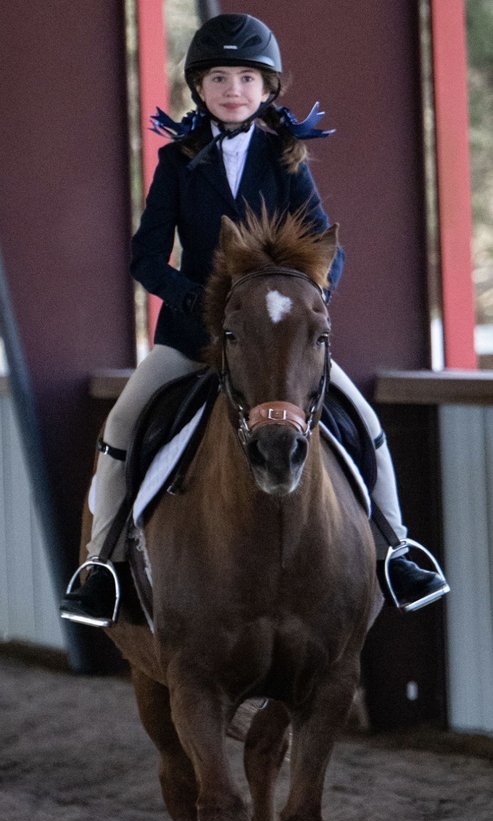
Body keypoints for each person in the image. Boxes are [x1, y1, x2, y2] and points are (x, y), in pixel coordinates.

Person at [60, 12, 449, 628]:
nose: (232, 89)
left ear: (268, 89)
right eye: (218, 77)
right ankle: (99, 566)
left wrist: (304, 303)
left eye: (246, 77)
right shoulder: (175, 162)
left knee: (366, 422)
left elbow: (329, 246)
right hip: (193, 339)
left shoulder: (287, 158)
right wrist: (194, 300)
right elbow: (144, 256)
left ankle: (397, 550)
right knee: (122, 423)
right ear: (199, 89)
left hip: (276, 345)